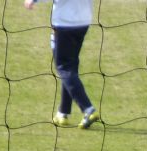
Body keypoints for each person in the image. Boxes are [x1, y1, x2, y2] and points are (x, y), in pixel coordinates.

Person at [24, 0, 101, 128]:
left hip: (65, 24)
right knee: (70, 65)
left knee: (64, 67)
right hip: (83, 22)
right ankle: (63, 112)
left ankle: (88, 110)